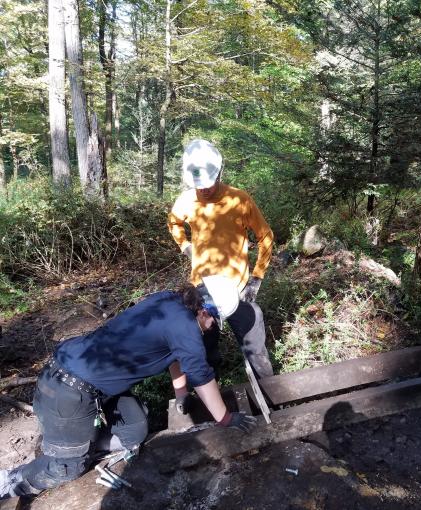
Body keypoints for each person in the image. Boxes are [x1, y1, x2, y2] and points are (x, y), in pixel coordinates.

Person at [0, 276, 256, 500]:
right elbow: (201, 375)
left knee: (134, 430)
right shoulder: (187, 327)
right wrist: (225, 418)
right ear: (205, 311)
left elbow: (175, 355)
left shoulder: (171, 301)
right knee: (68, 468)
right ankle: (11, 480)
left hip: (86, 382)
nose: (212, 327)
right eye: (215, 321)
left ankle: (75, 438)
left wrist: (181, 394)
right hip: (68, 390)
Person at [168, 139, 274, 379]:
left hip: (238, 286)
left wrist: (257, 276)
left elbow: (265, 236)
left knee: (255, 345)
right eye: (199, 185)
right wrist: (185, 245)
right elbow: (173, 222)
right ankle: (213, 388)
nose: (203, 190)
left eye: (208, 183)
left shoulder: (239, 200)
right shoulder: (186, 200)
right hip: (203, 286)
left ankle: (268, 388)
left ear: (219, 173)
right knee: (204, 346)